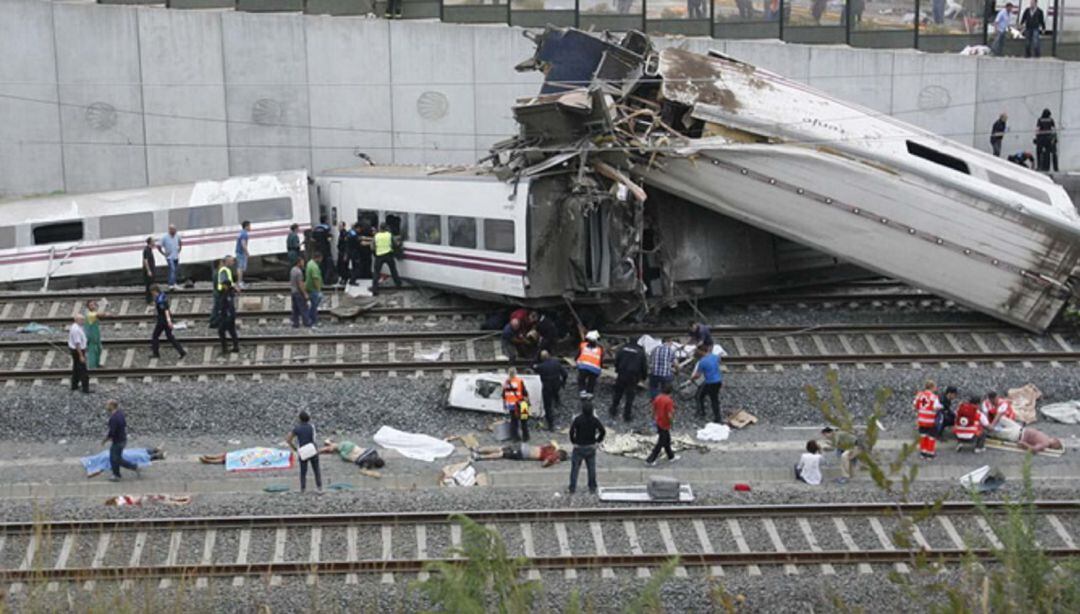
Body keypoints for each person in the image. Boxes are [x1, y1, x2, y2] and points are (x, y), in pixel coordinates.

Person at [568, 400, 606, 495]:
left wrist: (573, 441)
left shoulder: (578, 419)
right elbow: (603, 431)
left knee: (575, 469)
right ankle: (592, 487)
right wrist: (597, 441)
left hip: (579, 447)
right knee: (591, 469)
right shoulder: (594, 420)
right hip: (590, 447)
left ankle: (572, 488)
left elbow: (571, 431)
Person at [610, 337, 647, 422]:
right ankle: (627, 415)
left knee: (618, 392)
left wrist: (617, 369)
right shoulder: (640, 351)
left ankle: (613, 409)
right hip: (633, 376)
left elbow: (617, 360)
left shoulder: (622, 348)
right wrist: (644, 376)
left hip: (622, 374)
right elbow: (643, 365)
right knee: (630, 396)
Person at [286, 411, 322, 493]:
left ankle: (303, 488)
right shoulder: (312, 427)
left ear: (300, 419)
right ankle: (319, 487)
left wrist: (294, 448)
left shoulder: (297, 428)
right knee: (316, 470)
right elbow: (314, 438)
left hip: (303, 451)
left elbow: (288, 439)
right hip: (313, 449)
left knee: (303, 471)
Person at [102, 400, 139, 482]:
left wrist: (105, 440)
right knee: (118, 458)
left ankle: (116, 475)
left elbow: (112, 432)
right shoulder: (120, 414)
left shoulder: (113, 418)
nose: (106, 406)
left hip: (117, 441)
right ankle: (134, 467)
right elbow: (124, 424)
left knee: (114, 458)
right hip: (123, 439)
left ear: (112, 406)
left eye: (107, 404)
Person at [646, 382, 680, 466]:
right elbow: (669, 414)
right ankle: (651, 459)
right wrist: (672, 422)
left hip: (659, 422)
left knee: (667, 440)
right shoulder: (669, 401)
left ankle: (671, 456)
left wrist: (653, 416)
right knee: (661, 442)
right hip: (665, 424)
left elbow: (654, 409)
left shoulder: (658, 398)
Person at [533, 350, 567, 430]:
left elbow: (533, 366)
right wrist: (563, 382)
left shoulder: (541, 366)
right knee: (555, 393)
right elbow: (565, 374)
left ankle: (551, 425)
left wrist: (535, 358)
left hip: (547, 387)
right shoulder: (556, 363)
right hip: (556, 384)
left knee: (547, 406)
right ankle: (557, 402)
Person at [150, 285, 186, 359]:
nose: (152, 294)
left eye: (153, 292)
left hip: (162, 321)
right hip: (165, 319)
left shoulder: (160, 300)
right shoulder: (162, 296)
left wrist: (169, 321)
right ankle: (181, 351)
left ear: (155, 291)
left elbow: (165, 310)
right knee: (170, 337)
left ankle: (156, 353)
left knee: (155, 336)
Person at [690, 345, 723, 423]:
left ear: (701, 351)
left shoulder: (702, 362)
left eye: (698, 351)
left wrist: (691, 379)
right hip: (718, 381)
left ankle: (701, 413)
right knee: (714, 399)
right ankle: (717, 418)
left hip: (710, 382)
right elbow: (719, 360)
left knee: (699, 396)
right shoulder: (715, 357)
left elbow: (697, 375)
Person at [473, 441, 568, 466]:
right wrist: (553, 462)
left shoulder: (552, 448)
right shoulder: (552, 457)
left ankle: (478, 449)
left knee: (500, 448)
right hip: (523, 453)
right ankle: (480, 457)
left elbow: (549, 442)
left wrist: (556, 447)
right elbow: (544, 464)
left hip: (523, 446)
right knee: (502, 454)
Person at [914, 380, 943, 460]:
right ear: (932, 387)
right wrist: (941, 407)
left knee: (923, 436)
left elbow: (915, 405)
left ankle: (923, 453)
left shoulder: (919, 395)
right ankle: (930, 453)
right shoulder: (934, 397)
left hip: (921, 419)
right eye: (935, 387)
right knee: (931, 437)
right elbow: (935, 407)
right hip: (930, 420)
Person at [371, 223, 402, 295]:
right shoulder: (389, 235)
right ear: (386, 228)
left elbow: (372, 247)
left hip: (379, 256)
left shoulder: (376, 236)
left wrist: (375, 253)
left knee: (376, 273)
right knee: (393, 270)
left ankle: (375, 290)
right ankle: (398, 285)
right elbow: (394, 244)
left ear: (380, 228)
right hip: (388, 255)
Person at [503, 367, 530, 442]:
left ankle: (515, 438)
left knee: (514, 422)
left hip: (511, 405)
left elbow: (504, 395)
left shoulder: (506, 382)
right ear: (515, 373)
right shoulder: (519, 381)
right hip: (522, 404)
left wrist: (504, 404)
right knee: (524, 421)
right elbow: (524, 392)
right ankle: (525, 437)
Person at [211, 256, 234, 329]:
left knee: (217, 307)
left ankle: (215, 321)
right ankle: (215, 322)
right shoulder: (220, 272)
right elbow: (223, 283)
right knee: (219, 308)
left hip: (218, 292)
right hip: (220, 293)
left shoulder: (217, 271)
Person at [68, 313, 90, 394]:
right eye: (82, 319)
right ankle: (85, 388)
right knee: (83, 370)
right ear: (77, 320)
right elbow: (77, 344)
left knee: (76, 369)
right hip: (78, 351)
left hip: (76, 351)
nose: (83, 321)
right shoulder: (76, 330)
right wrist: (81, 356)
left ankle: (74, 386)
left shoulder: (76, 327)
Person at [84, 299, 108, 369]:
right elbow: (99, 315)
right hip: (91, 336)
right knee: (92, 351)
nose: (93, 306)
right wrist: (106, 313)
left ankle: (97, 364)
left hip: (96, 335)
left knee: (98, 349)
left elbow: (99, 317)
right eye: (91, 305)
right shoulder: (89, 314)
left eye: (94, 304)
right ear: (88, 307)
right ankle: (92, 366)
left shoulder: (93, 313)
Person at [218, 279, 239, 353]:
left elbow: (229, 305)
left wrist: (227, 315)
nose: (222, 286)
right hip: (229, 315)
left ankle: (225, 348)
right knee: (232, 331)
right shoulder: (228, 292)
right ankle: (235, 346)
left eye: (223, 285)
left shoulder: (228, 294)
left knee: (221, 331)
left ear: (227, 286)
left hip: (227, 316)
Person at [158, 224, 182, 290]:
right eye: (173, 229)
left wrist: (180, 249)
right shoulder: (165, 237)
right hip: (169, 257)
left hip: (176, 256)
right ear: (170, 230)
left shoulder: (177, 236)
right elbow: (159, 245)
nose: (175, 231)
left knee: (173, 270)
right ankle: (172, 284)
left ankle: (172, 283)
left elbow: (180, 242)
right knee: (172, 269)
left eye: (175, 229)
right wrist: (163, 253)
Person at [312, 216, 334, 285]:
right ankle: (327, 281)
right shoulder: (326, 228)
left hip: (318, 250)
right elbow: (329, 239)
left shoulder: (316, 228)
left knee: (321, 265)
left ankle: (320, 280)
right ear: (325, 220)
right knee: (329, 265)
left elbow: (313, 239)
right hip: (326, 250)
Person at [289, 256, 310, 328]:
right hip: (298, 293)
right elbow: (300, 284)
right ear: (299, 262)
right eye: (302, 262)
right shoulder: (299, 272)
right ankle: (306, 322)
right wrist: (305, 294)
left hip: (293, 292)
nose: (303, 263)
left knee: (295, 309)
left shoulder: (292, 270)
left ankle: (295, 323)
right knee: (304, 308)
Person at [306, 252, 324, 327]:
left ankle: (311, 320)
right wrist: (318, 290)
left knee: (313, 306)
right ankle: (311, 321)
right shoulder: (314, 267)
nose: (321, 260)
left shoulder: (310, 263)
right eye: (321, 259)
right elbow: (315, 278)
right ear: (318, 258)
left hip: (309, 287)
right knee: (314, 306)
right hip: (313, 289)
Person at [235, 220, 250, 288]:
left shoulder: (241, 233)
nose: (250, 227)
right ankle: (240, 283)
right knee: (240, 268)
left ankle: (239, 282)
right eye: (249, 226)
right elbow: (243, 243)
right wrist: (247, 252)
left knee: (240, 268)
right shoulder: (244, 234)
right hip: (241, 253)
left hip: (239, 252)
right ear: (246, 226)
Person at [142, 237, 156, 304]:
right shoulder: (146, 250)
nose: (154, 243)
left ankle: (151, 299)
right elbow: (145, 261)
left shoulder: (149, 249)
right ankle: (149, 300)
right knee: (149, 286)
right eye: (153, 241)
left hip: (151, 270)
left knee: (151, 285)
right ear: (150, 242)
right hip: (148, 271)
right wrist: (148, 271)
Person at [335, 221, 350, 286]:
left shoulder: (345, 234)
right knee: (340, 266)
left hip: (344, 253)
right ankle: (343, 278)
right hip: (341, 252)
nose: (339, 227)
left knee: (344, 266)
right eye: (338, 226)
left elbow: (347, 245)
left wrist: (346, 254)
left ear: (344, 226)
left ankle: (345, 279)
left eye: (340, 226)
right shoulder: (341, 233)